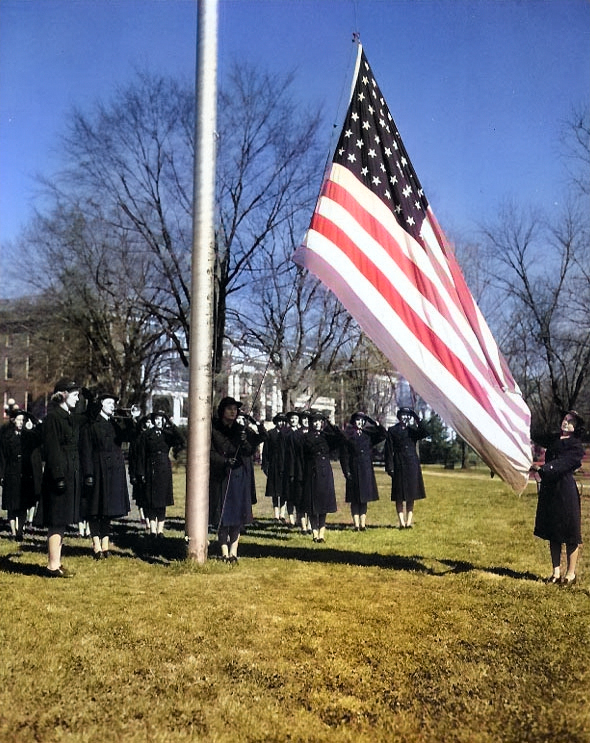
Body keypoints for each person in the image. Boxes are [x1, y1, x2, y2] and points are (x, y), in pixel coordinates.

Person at [531, 410, 585, 586]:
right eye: (565, 419)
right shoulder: (553, 439)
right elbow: (534, 435)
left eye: (570, 422)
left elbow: (564, 464)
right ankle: (555, 573)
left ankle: (570, 574)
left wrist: (544, 469)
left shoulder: (577, 446)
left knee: (570, 533)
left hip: (565, 490)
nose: (566, 423)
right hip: (550, 490)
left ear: (575, 427)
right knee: (553, 532)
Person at [209, 397, 266, 562]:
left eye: (235, 409)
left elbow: (258, 441)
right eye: (229, 409)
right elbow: (210, 453)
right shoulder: (213, 429)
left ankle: (234, 552)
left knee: (236, 517)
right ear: (222, 411)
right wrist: (224, 461)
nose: (233, 412)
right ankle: (224, 551)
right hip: (222, 475)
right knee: (223, 516)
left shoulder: (241, 429)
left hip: (238, 476)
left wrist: (253, 424)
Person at [40, 378, 86, 577]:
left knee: (62, 520)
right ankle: (52, 566)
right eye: (75, 395)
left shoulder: (68, 416)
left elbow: (88, 415)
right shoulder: (53, 417)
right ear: (64, 395)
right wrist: (58, 476)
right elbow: (52, 449)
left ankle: (56, 563)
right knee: (56, 520)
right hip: (59, 475)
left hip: (69, 473)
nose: (78, 400)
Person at [80, 393, 132, 559]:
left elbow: (129, 436)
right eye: (109, 403)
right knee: (95, 509)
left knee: (108, 510)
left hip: (114, 470)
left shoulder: (115, 424)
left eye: (114, 403)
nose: (112, 406)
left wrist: (130, 418)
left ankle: (105, 544)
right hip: (97, 469)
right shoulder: (92, 425)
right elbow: (86, 450)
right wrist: (88, 473)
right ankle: (96, 544)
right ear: (101, 404)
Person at [137, 410, 184, 539]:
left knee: (162, 501)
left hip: (164, 468)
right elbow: (141, 455)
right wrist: (141, 473)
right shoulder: (146, 435)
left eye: (161, 419)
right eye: (156, 419)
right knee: (151, 502)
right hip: (150, 469)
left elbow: (181, 440)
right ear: (153, 421)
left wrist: (171, 423)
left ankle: (160, 530)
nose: (159, 422)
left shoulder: (167, 435)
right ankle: (152, 530)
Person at [0, 409, 42, 541]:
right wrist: (1, 474)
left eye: (22, 420)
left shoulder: (29, 436)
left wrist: (33, 420)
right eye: (18, 419)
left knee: (23, 505)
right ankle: (13, 531)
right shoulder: (6, 436)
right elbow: (2, 457)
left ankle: (20, 531)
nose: (20, 422)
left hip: (25, 474)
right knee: (11, 506)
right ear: (13, 420)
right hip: (11, 473)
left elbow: (40, 435)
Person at [300, 412, 343, 543]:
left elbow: (340, 438)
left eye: (320, 421)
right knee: (313, 507)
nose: (317, 424)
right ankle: (314, 533)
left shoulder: (327, 436)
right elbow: (301, 457)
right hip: (311, 473)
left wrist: (329, 422)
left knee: (324, 506)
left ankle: (322, 534)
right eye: (315, 421)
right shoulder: (305, 437)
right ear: (311, 423)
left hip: (325, 472)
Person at [340, 412, 386, 531]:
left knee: (364, 499)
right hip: (353, 470)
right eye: (357, 420)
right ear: (353, 422)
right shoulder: (348, 436)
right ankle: (356, 524)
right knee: (355, 499)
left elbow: (383, 434)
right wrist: (347, 472)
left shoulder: (368, 435)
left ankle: (363, 524)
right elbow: (344, 455)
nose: (359, 422)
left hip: (366, 470)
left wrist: (374, 422)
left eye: (361, 420)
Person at [384, 407, 429, 529]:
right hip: (398, 464)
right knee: (399, 495)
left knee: (411, 495)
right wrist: (390, 467)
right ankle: (401, 522)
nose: (405, 417)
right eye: (403, 415)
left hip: (412, 464)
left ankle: (409, 522)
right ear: (399, 417)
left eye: (407, 415)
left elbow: (425, 432)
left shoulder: (412, 431)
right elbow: (388, 451)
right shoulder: (392, 430)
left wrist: (417, 418)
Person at [261, 413, 288, 522]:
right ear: (275, 421)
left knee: (284, 491)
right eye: (279, 421)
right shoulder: (270, 434)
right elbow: (266, 451)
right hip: (273, 466)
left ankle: (282, 513)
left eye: (283, 421)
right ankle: (276, 514)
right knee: (274, 492)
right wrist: (265, 465)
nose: (281, 423)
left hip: (285, 466)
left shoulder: (287, 434)